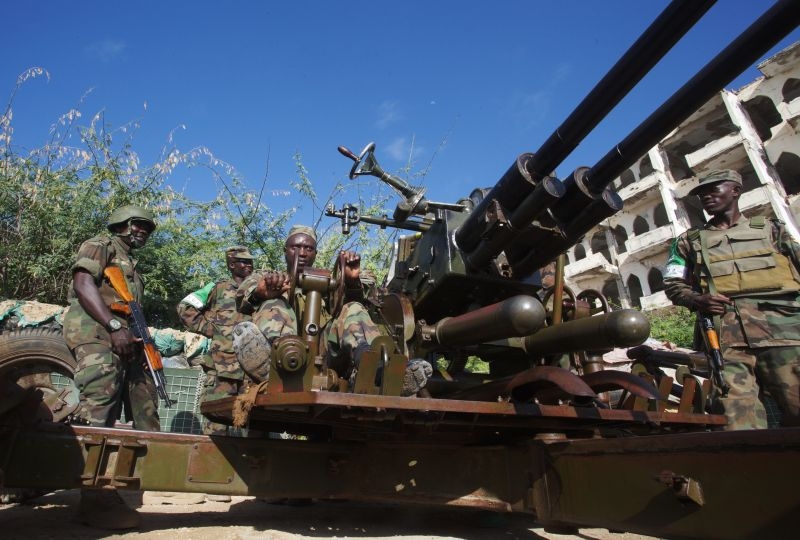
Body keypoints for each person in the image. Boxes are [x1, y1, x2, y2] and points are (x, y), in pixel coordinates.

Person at [664, 169, 800, 430]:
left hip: (786, 333)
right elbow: (672, 284)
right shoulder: (687, 242)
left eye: (714, 189)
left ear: (736, 190)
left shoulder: (772, 230)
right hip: (726, 338)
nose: (706, 196)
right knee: (737, 417)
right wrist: (696, 299)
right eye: (701, 193)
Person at [233, 225, 432, 395]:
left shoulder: (330, 283)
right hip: (286, 354)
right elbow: (245, 295)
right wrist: (262, 292)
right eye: (296, 247)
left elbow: (360, 303)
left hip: (328, 357)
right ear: (285, 250)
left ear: (315, 254)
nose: (302, 253)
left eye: (308, 248)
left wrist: (352, 280)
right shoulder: (268, 278)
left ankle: (375, 370)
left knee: (353, 308)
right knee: (273, 303)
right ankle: (273, 366)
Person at [62, 204, 159, 529]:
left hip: (126, 338)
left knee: (146, 405)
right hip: (95, 329)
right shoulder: (100, 245)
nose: (143, 230)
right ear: (121, 224)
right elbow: (82, 283)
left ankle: (152, 479)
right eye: (138, 224)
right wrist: (114, 326)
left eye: (147, 227)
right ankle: (95, 499)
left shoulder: (132, 266)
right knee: (100, 407)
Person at [177, 245, 254, 435]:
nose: (248, 265)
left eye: (250, 261)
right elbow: (185, 308)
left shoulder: (259, 291)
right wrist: (213, 330)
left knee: (255, 427)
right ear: (231, 265)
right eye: (242, 261)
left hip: (252, 372)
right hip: (221, 370)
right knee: (216, 426)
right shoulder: (217, 288)